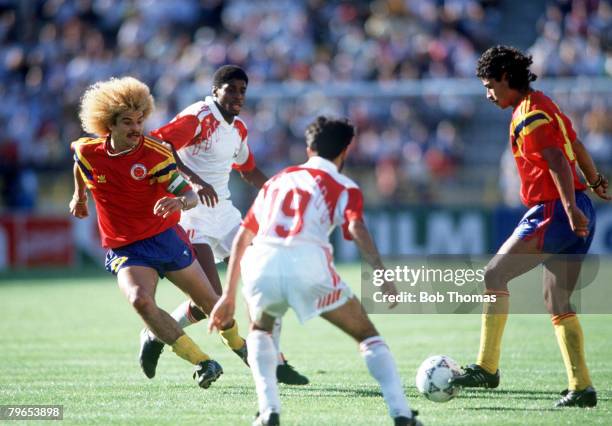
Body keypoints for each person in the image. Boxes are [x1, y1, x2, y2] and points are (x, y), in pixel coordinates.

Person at [208, 116, 422, 426]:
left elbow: (243, 235)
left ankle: (269, 411)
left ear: (309, 149)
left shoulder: (277, 180)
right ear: (345, 151)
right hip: (307, 264)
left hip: (261, 263)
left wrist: (229, 295)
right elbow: (356, 226)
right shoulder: (345, 185)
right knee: (366, 335)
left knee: (260, 330)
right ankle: (401, 413)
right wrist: (380, 272)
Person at [450, 46, 610, 408]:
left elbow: (556, 159)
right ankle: (581, 386)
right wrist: (595, 180)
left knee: (494, 275)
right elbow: (576, 145)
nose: (488, 94)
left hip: (554, 208)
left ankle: (487, 368)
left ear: (507, 77)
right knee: (557, 299)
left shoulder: (528, 113)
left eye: (490, 85)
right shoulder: (545, 103)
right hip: (576, 204)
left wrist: (569, 208)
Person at [69, 76, 249, 389]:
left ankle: (240, 346)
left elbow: (190, 196)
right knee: (140, 300)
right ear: (107, 125)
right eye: (127, 122)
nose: (136, 128)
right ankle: (203, 362)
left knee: (213, 305)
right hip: (127, 248)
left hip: (166, 239)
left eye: (139, 120)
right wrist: (79, 196)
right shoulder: (88, 152)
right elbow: (79, 165)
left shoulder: (154, 155)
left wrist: (179, 200)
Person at [140, 65, 308, 385]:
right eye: (230, 89)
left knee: (263, 280)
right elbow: (160, 144)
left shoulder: (239, 129)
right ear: (216, 90)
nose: (237, 96)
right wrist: (193, 179)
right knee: (213, 299)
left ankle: (275, 357)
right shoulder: (200, 116)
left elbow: (248, 169)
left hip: (225, 215)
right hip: (190, 214)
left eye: (242, 91)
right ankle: (155, 334)